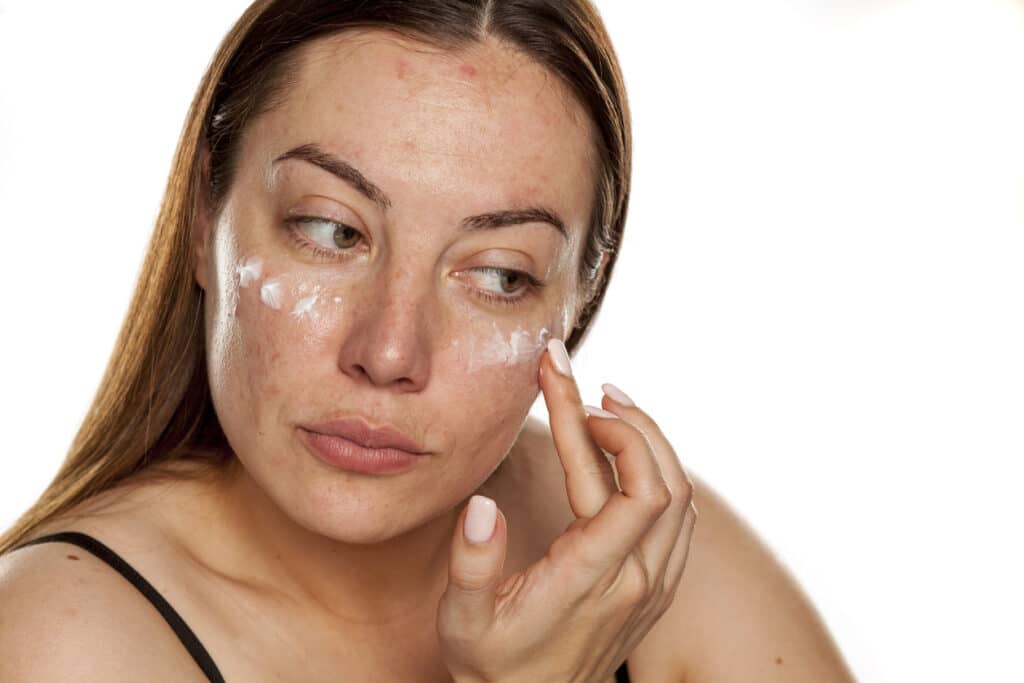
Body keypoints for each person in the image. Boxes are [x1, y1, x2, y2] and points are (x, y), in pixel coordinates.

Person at [0, 1, 856, 681]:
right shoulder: (58, 640)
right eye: (333, 233)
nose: (389, 352)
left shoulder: (640, 571)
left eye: (498, 276)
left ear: (578, 296)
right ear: (202, 221)